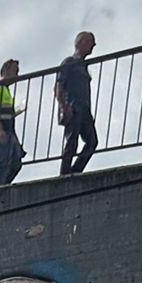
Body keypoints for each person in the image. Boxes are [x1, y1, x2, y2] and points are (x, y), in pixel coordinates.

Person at [56, 31, 98, 175]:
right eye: (90, 42)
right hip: (73, 106)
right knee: (71, 142)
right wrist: (63, 107)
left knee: (92, 141)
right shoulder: (69, 62)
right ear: (80, 43)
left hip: (84, 108)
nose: (93, 45)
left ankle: (75, 171)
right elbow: (58, 87)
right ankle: (65, 174)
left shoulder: (83, 65)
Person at [0, 59, 24, 186]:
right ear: (7, 70)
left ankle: (1, 187)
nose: (17, 75)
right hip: (2, 128)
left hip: (9, 129)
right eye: (15, 71)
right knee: (4, 162)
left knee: (16, 162)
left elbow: (6, 112)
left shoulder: (6, 90)